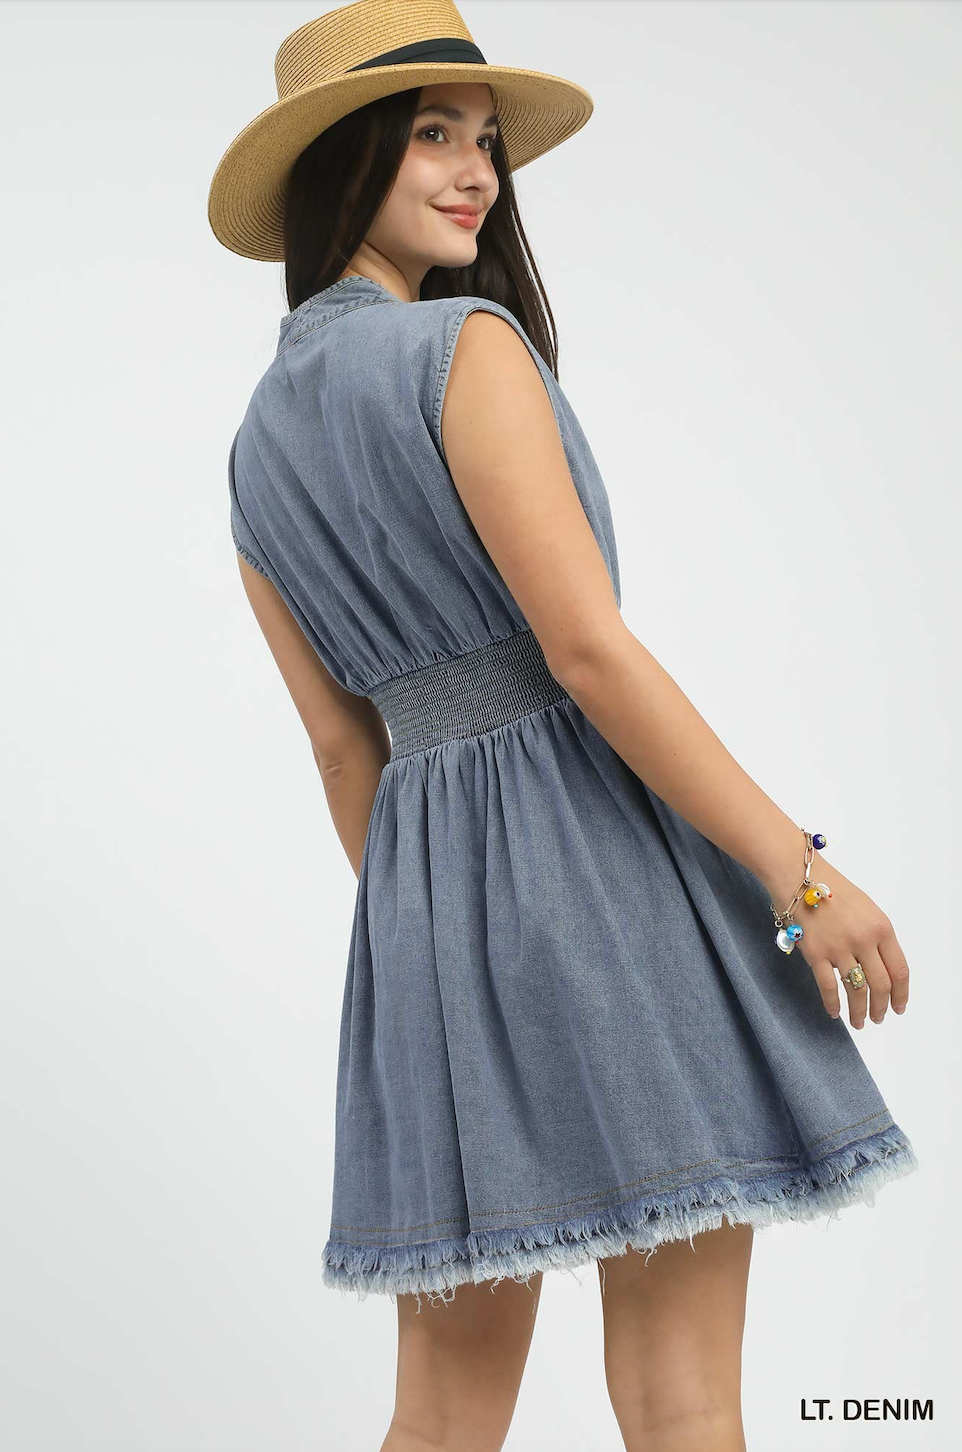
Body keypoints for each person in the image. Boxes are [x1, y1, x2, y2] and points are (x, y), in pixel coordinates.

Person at [208, 3, 918, 1449]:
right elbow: (585, 655)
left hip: (424, 938)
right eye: (430, 138)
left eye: (482, 145)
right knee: (676, 1401)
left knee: (444, 1418)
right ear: (345, 160)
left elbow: (349, 756)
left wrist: (447, 950)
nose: (474, 173)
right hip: (607, 893)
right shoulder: (462, 350)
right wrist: (799, 871)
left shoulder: (254, 447)